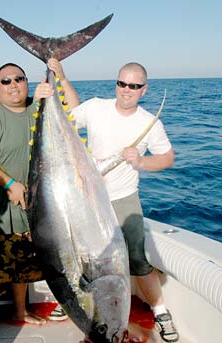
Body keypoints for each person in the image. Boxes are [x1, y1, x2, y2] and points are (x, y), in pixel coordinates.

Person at [0, 58, 79, 342]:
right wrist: (11, 184)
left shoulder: (39, 108)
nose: (13, 85)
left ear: (28, 82)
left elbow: (75, 111)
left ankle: (20, 311)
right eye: (6, 81)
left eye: (19, 79)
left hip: (36, 211)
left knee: (23, 266)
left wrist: (60, 76)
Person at [71, 62, 179, 343]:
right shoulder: (95, 107)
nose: (126, 90)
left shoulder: (148, 122)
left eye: (133, 86)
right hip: (88, 200)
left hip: (123, 199)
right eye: (122, 83)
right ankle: (90, 313)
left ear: (144, 90)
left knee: (138, 260)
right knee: (85, 263)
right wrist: (58, 76)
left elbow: (167, 158)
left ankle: (160, 312)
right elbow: (69, 117)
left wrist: (141, 161)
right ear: (116, 84)